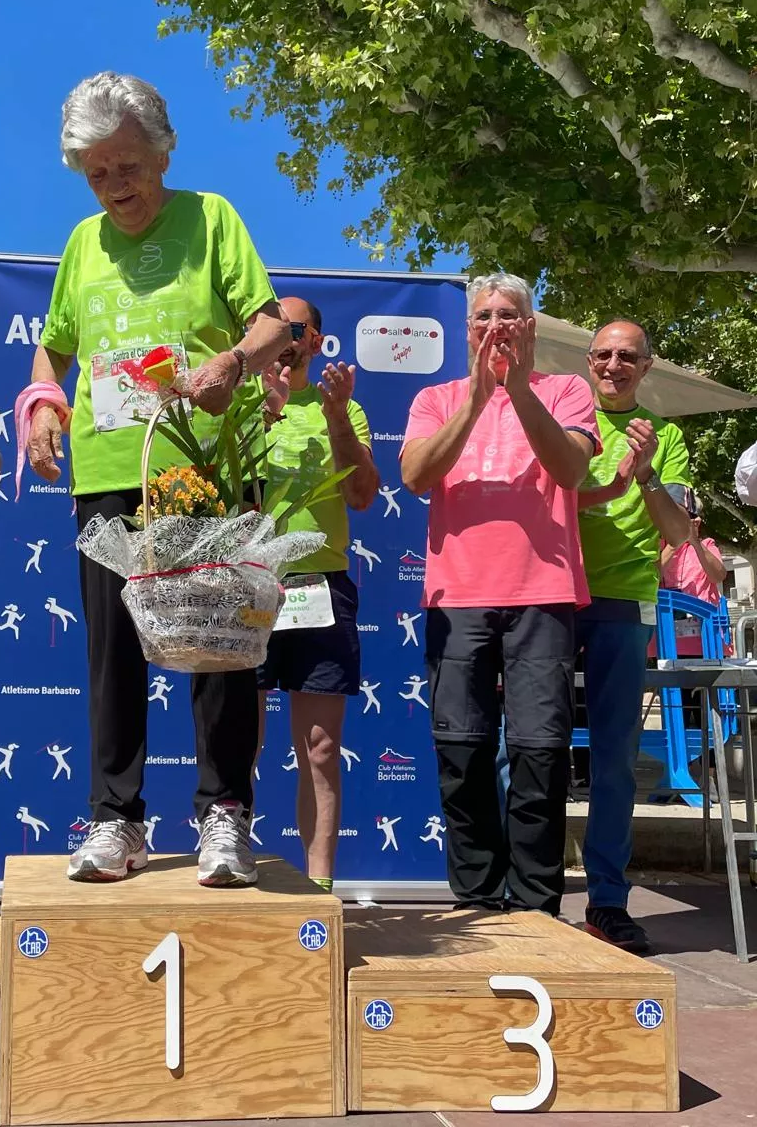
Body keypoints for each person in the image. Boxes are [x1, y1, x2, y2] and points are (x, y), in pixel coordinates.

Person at [25, 71, 289, 886]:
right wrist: (40, 401)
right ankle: (116, 821)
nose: (115, 188)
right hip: (107, 472)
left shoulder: (211, 219)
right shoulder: (80, 245)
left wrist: (234, 361)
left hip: (203, 467)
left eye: (128, 167)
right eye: (98, 174)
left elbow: (274, 320)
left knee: (217, 650)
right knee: (114, 656)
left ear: (162, 152)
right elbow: (54, 348)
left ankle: (223, 815)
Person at [400, 273, 598, 916]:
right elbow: (414, 476)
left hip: (542, 593)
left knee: (540, 751)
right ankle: (477, 899)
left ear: (531, 327)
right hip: (458, 596)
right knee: (462, 749)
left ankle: (539, 902)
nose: (496, 326)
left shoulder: (566, 390)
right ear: (468, 331)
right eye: (484, 316)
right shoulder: (437, 397)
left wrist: (515, 392)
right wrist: (479, 398)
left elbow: (570, 469)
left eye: (509, 315)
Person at [255, 297, 380, 890]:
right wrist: (262, 418)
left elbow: (361, 496)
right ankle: (229, 869)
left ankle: (318, 889)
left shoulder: (345, 412)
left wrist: (334, 417)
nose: (286, 336)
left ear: (318, 341)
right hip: (246, 584)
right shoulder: (243, 403)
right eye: (274, 325)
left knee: (322, 749)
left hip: (318, 585)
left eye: (297, 327)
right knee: (239, 742)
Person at [575, 319, 691, 952]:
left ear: (647, 367)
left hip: (624, 602)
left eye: (627, 357)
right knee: (524, 748)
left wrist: (645, 474)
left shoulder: (667, 435)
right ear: (589, 362)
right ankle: (522, 891)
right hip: (552, 593)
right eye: (603, 355)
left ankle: (608, 902)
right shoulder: (566, 412)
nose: (613, 365)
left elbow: (678, 533)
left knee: (616, 756)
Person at [661, 493, 725, 607]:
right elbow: (651, 576)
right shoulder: (660, 546)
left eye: (686, 515)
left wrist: (695, 541)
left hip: (702, 618)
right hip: (667, 616)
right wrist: (674, 542)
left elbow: (718, 576)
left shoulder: (707, 545)